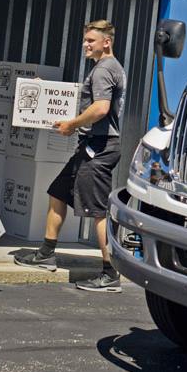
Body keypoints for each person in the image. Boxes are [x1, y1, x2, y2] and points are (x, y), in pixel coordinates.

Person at [14, 19, 126, 293]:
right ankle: (46, 253)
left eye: (91, 40)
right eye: (85, 40)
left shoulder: (104, 69)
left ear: (106, 42)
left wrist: (71, 125)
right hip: (89, 146)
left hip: (99, 148)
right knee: (58, 192)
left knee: (98, 211)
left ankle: (110, 274)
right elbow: (83, 99)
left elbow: (100, 109)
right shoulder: (104, 69)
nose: (85, 44)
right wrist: (44, 92)